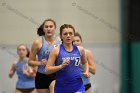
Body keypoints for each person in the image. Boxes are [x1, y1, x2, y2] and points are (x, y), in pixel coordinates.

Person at [46, 24, 89, 93]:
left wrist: (86, 71)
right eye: (65, 34)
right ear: (61, 36)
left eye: (70, 33)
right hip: (61, 88)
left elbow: (85, 62)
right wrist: (60, 66)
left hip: (78, 87)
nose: (68, 36)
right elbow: (47, 70)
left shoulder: (80, 50)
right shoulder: (56, 50)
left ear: (73, 35)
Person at [28, 19, 60, 93]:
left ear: (55, 28)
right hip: (42, 75)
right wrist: (40, 63)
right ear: (43, 28)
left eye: (51, 26)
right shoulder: (37, 42)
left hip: (56, 74)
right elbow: (30, 62)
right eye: (46, 27)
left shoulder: (60, 41)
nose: (48, 29)